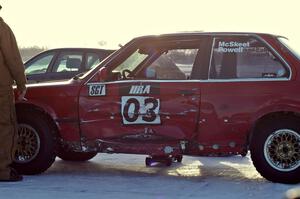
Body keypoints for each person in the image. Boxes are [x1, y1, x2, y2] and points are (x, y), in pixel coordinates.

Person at [0, 5, 27, 182]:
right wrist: (21, 82)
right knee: (5, 126)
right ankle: (2, 170)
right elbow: (13, 58)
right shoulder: (2, 28)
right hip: (0, 87)